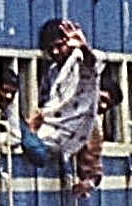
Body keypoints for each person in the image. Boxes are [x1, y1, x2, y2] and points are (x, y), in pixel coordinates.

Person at [22, 15, 104, 190]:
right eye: (50, 48)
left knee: (35, 150)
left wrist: (84, 48)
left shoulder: (80, 61)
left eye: (60, 45)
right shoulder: (51, 72)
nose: (56, 52)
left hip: (69, 132)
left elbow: (92, 66)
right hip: (51, 133)